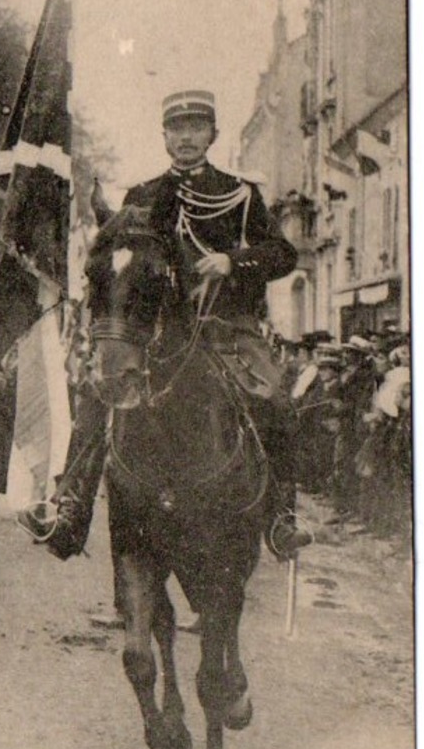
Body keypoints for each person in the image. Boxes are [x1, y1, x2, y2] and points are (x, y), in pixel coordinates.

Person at [19, 88, 305, 561]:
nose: (186, 137)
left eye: (196, 127)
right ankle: (70, 507)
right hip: (154, 332)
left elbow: (283, 254)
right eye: (177, 128)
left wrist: (231, 261)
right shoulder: (142, 195)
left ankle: (281, 516)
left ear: (212, 134)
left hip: (226, 327)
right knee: (98, 390)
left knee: (272, 395)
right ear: (165, 136)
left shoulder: (239, 194)